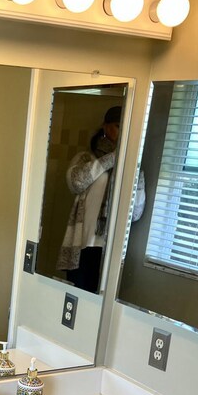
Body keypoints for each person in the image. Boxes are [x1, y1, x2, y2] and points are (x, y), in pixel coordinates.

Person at [56, 105, 145, 292]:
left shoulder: (133, 167)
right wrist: (114, 157)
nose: (122, 132)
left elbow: (135, 213)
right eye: (118, 126)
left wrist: (133, 171)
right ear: (105, 127)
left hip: (109, 246)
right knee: (75, 296)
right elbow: (76, 183)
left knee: (98, 304)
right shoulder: (86, 157)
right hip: (83, 242)